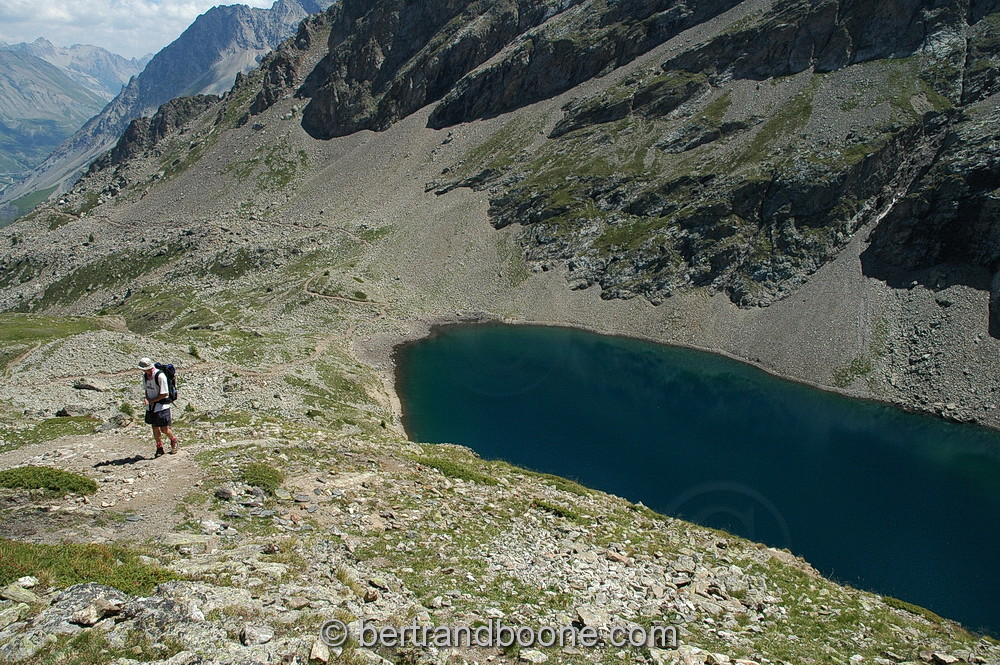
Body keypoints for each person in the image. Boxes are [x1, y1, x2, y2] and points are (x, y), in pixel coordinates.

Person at [138, 357, 177, 457]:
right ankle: (159, 447)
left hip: (162, 406)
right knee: (154, 427)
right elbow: (146, 389)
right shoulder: (145, 376)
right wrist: (146, 398)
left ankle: (173, 440)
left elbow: (164, 394)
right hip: (151, 406)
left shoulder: (160, 376)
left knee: (164, 429)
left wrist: (151, 400)